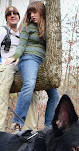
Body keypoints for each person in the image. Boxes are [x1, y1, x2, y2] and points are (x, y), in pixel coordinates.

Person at [6, 1, 59, 131]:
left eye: (35, 12)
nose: (32, 15)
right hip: (28, 59)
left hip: (42, 63)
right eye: (30, 12)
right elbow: (21, 45)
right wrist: (15, 57)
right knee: (29, 83)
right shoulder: (27, 26)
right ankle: (18, 121)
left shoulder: (49, 27)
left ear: (42, 12)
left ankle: (48, 127)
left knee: (55, 95)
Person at [0, 6, 37, 132]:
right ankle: (0, 128)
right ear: (6, 18)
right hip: (7, 65)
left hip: (23, 65)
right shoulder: (2, 31)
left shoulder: (24, 33)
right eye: (9, 14)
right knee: (3, 89)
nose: (12, 15)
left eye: (15, 13)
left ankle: (28, 129)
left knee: (31, 88)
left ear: (19, 17)